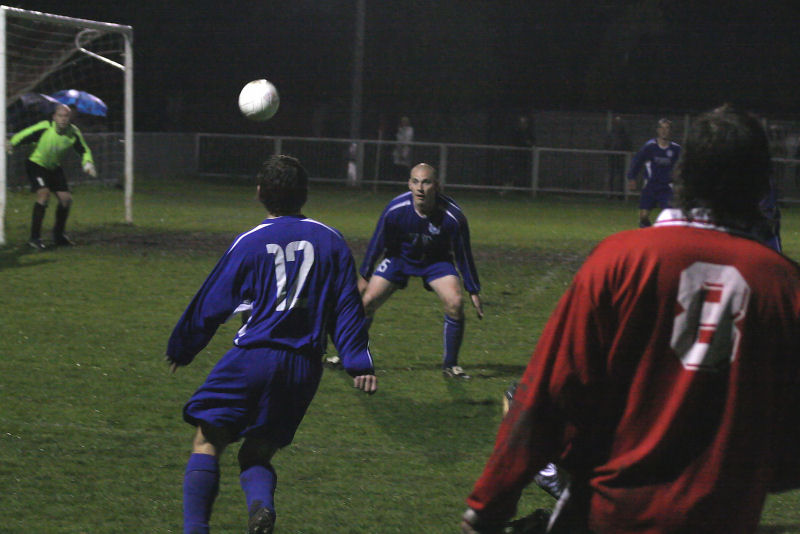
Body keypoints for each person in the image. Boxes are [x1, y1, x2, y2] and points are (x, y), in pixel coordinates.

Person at [461, 105, 800, 534]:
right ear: (759, 185)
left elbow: (546, 397)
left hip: (611, 515)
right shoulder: (785, 287)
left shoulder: (620, 260)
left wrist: (487, 505)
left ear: (683, 174)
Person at [166, 155, 378, 534]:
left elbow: (213, 300)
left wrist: (184, 345)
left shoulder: (251, 241)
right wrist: (357, 360)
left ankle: (195, 529)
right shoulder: (331, 240)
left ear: (260, 193)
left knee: (208, 437)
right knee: (257, 451)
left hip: (254, 356)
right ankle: (261, 509)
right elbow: (348, 305)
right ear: (305, 194)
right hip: (303, 367)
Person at [358, 162, 483, 379]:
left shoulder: (453, 216)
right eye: (415, 182)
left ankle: (450, 365)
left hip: (437, 262)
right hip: (399, 258)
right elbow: (378, 242)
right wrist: (365, 274)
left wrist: (472, 289)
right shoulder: (395, 209)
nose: (420, 188)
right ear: (409, 184)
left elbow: (463, 253)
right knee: (366, 303)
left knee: (455, 303)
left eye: (426, 182)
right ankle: (350, 355)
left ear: (437, 185)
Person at [7, 103, 96, 249]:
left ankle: (58, 236)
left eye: (66, 116)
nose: (63, 119)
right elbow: (27, 133)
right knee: (44, 195)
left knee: (66, 200)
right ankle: (34, 238)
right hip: (36, 164)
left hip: (54, 168)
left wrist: (88, 163)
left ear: (69, 118)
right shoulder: (45, 126)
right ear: (54, 117)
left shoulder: (73, 132)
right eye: (60, 115)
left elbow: (83, 149)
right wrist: (12, 143)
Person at [626, 118, 680, 227]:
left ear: (671, 131)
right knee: (643, 216)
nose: (664, 131)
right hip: (650, 185)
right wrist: (632, 177)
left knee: (670, 217)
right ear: (657, 130)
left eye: (667, 128)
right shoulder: (650, 146)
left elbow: (682, 167)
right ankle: (647, 235)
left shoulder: (676, 149)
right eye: (661, 128)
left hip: (667, 187)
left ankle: (663, 239)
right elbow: (637, 161)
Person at [603, 115, 631, 198]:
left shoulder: (624, 134)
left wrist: (625, 152)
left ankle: (621, 194)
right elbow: (606, 143)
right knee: (611, 176)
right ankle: (610, 194)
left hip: (621, 157)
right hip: (612, 157)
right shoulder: (611, 133)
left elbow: (628, 144)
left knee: (621, 177)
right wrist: (608, 151)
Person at [391, 116, 414, 180]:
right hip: (398, 149)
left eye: (405, 121)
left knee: (406, 165)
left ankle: (405, 181)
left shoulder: (410, 129)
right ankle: (396, 180)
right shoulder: (399, 129)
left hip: (405, 149)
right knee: (397, 165)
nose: (403, 123)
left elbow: (408, 139)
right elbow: (398, 139)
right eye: (402, 121)